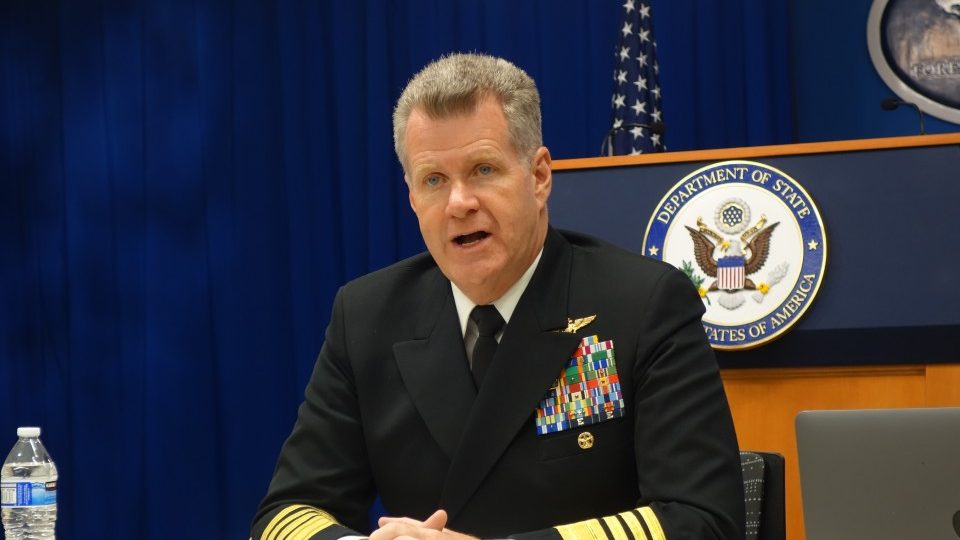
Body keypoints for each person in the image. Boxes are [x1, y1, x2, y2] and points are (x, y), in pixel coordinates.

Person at [251, 53, 744, 540]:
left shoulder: (643, 304)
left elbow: (703, 519)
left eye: (483, 170)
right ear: (412, 196)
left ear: (539, 176)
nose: (459, 203)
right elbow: (285, 515)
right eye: (434, 180)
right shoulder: (366, 317)